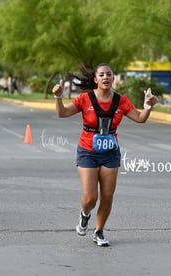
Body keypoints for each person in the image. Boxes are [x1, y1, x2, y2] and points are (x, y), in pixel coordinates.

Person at [52, 63, 157, 246]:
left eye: (109, 74)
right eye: (101, 75)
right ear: (96, 79)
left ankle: (99, 232)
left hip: (110, 153)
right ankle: (84, 215)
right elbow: (62, 113)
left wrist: (148, 106)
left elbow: (140, 118)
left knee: (107, 196)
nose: (105, 77)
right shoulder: (85, 99)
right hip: (88, 152)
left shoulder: (121, 101)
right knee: (91, 198)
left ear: (113, 78)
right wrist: (58, 97)